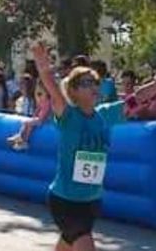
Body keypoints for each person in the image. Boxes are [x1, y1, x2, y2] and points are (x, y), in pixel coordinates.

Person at [33, 43, 122, 251]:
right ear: (73, 91)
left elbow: (138, 100)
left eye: (94, 82)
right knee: (83, 243)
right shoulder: (69, 116)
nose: (93, 87)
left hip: (92, 200)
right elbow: (54, 91)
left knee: (68, 243)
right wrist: (44, 68)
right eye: (85, 83)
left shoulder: (105, 115)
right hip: (66, 200)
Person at [7, 80, 52, 151]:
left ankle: (24, 141)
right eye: (37, 95)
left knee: (27, 123)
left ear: (47, 94)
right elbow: (36, 113)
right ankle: (20, 137)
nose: (38, 98)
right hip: (40, 119)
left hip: (44, 120)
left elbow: (44, 115)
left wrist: (35, 120)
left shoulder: (47, 103)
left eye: (40, 94)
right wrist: (33, 119)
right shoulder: (41, 103)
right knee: (28, 123)